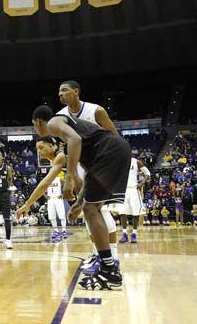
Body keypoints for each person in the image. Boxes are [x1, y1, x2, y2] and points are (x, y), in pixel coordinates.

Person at [32, 105, 130, 290]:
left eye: (34, 126)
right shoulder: (65, 140)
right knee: (91, 207)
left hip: (110, 151)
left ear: (38, 122)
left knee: (91, 210)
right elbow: (89, 169)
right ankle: (108, 267)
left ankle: (110, 271)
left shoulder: (54, 122)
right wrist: (78, 202)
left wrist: (69, 176)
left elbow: (75, 139)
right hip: (116, 150)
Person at [57, 80, 121, 273]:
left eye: (64, 90)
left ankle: (112, 258)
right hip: (82, 164)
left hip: (102, 161)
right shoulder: (60, 115)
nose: (60, 94)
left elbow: (114, 135)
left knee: (97, 210)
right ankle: (99, 254)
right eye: (59, 92)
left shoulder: (96, 111)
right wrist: (73, 170)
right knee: (89, 211)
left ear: (76, 92)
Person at [16, 137, 67, 242]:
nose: (39, 151)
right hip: (87, 183)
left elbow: (44, 184)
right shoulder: (55, 159)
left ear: (52, 146)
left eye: (41, 147)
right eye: (37, 148)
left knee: (96, 215)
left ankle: (106, 254)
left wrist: (27, 204)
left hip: (95, 179)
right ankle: (99, 254)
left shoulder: (60, 157)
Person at [119, 158, 150, 243]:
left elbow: (147, 173)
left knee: (136, 213)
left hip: (133, 189)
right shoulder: (119, 161)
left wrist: (142, 183)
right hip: (123, 190)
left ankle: (134, 234)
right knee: (122, 212)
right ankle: (124, 234)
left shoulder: (136, 162)